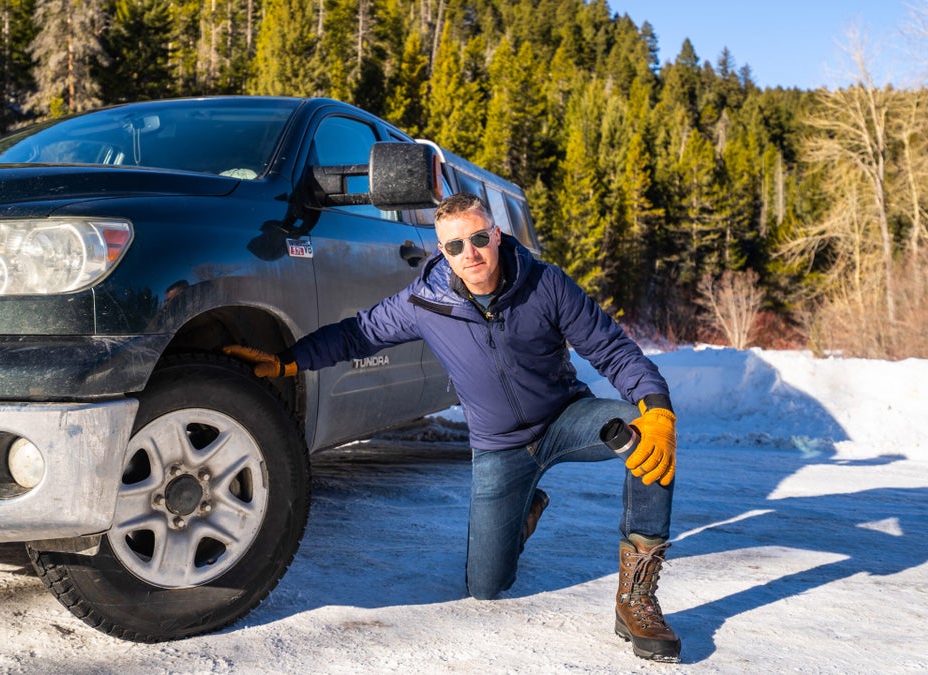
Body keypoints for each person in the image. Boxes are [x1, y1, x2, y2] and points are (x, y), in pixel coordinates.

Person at [224, 192, 681, 663]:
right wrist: (287, 362)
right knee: (486, 587)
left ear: (497, 235)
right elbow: (357, 333)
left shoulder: (546, 285)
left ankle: (637, 599)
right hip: (499, 447)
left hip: (566, 419)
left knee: (646, 435)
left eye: (479, 238)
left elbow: (613, 350)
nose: (471, 253)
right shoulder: (426, 301)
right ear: (442, 252)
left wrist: (658, 406)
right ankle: (524, 506)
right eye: (455, 245)